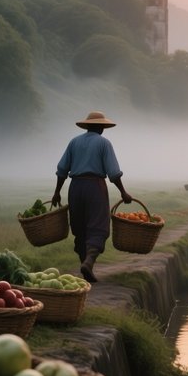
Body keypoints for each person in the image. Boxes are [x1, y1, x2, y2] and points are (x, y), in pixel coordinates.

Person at [51, 110, 132, 283]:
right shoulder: (104, 143)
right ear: (102, 128)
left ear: (87, 126)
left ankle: (85, 267)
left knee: (79, 227)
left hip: (76, 187)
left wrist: (57, 192)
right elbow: (114, 173)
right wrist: (123, 192)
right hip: (95, 187)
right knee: (98, 226)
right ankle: (88, 262)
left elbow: (62, 169)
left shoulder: (74, 142)